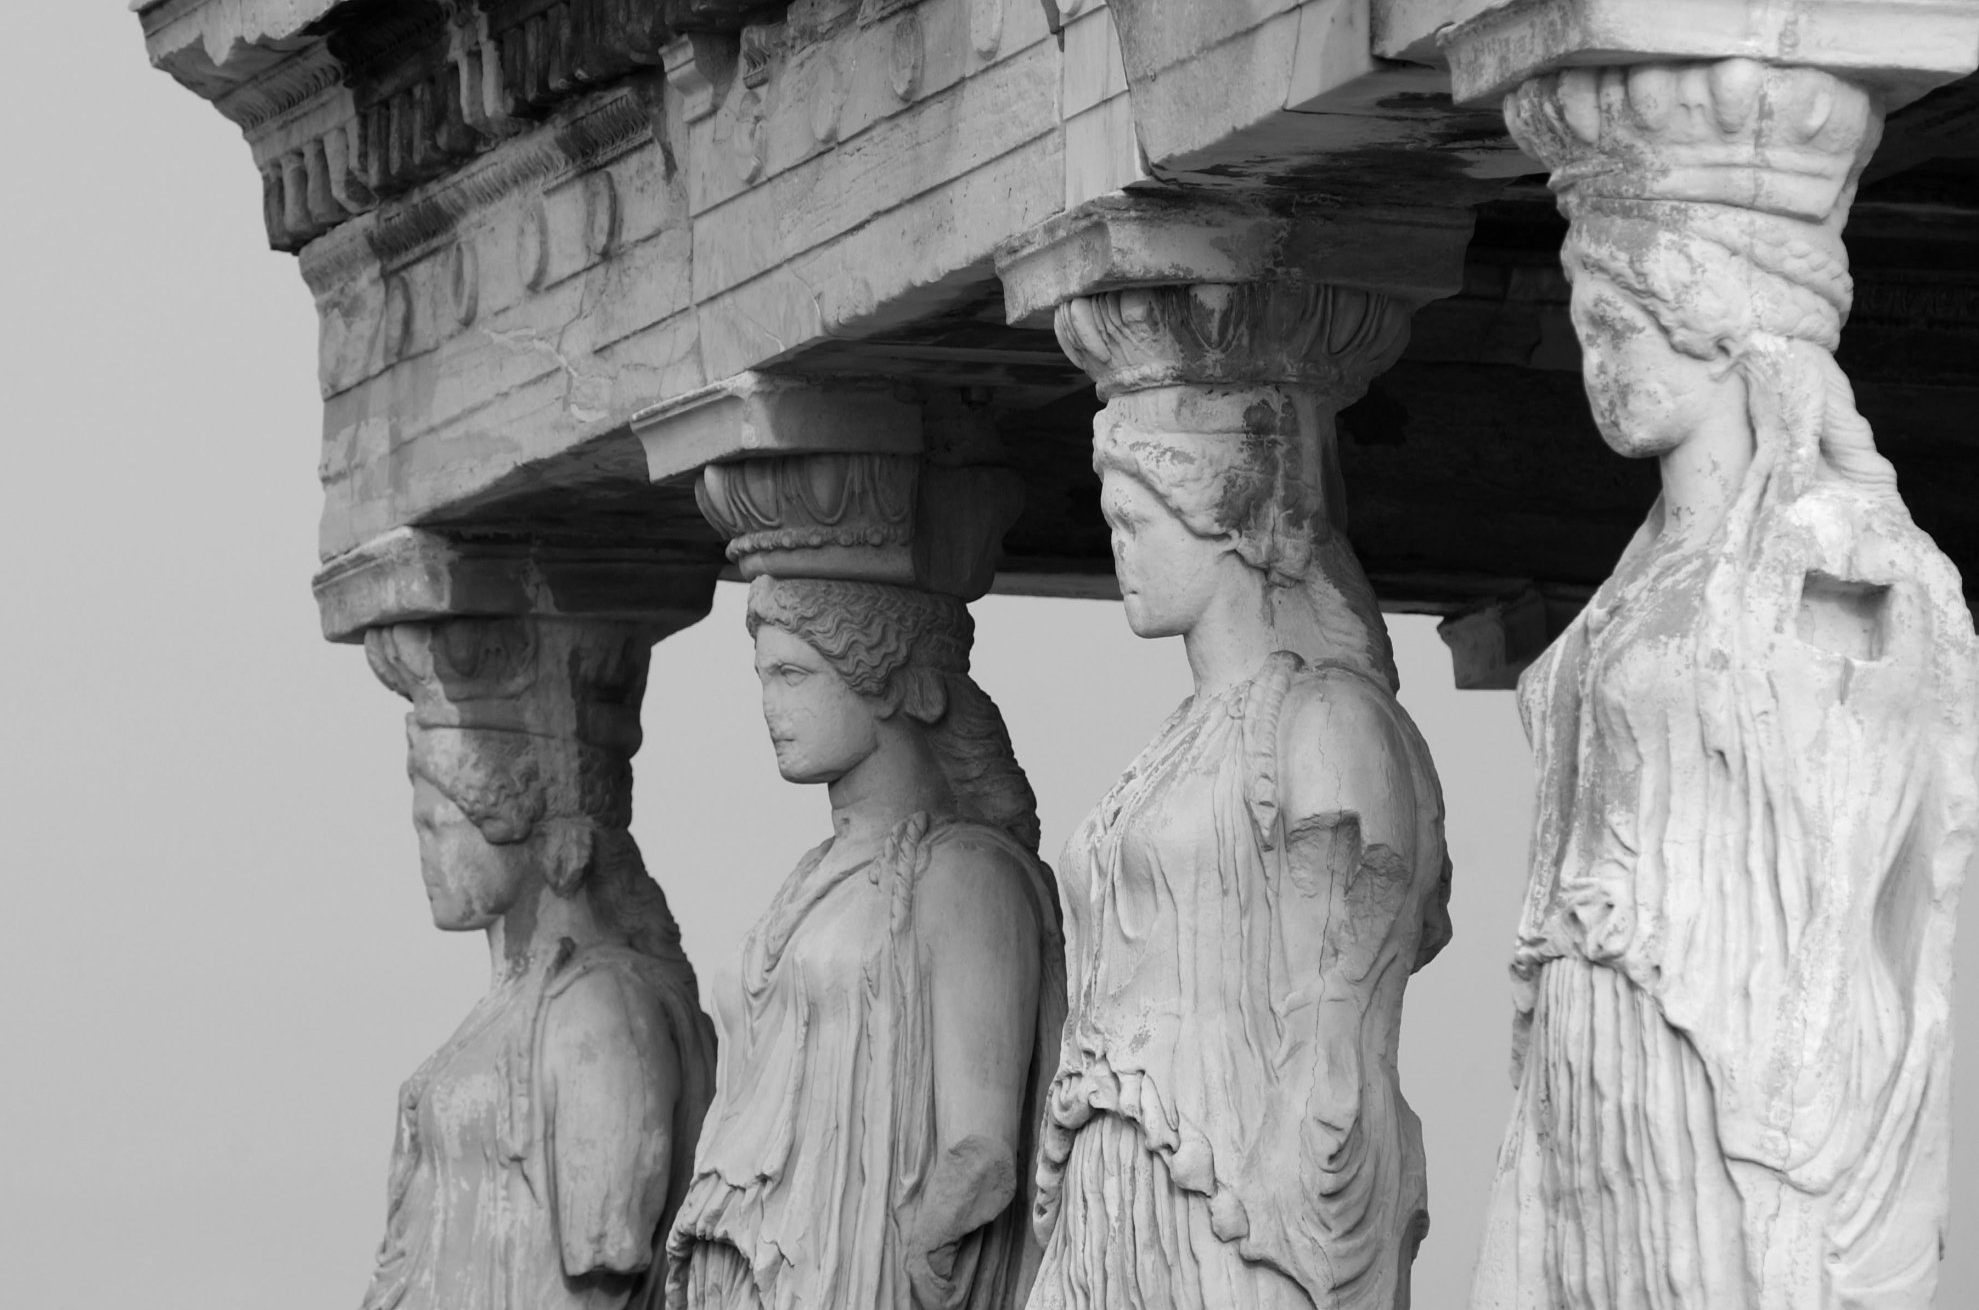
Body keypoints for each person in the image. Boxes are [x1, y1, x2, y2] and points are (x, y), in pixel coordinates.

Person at [1471, 62, 1979, 1309]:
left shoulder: (1831, 552)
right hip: (1597, 1032)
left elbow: (1867, 818)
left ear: (1712, 328)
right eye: (1584, 333)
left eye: (1617, 329)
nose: (1596, 365)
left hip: (1729, 1033)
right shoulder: (1632, 581)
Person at [1028, 355, 1452, 1310]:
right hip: (1110, 1171)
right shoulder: (1172, 740)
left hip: (1233, 1178)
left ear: (1221, 524)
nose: (1119, 553)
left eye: (1136, 525)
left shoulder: (1323, 720)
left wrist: (1299, 1172)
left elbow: (1336, 1005)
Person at [666, 575, 1064, 1310]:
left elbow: (980, 1150)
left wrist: (925, 1248)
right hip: (743, 1259)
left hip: (858, 1269)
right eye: (763, 678)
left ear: (887, 684)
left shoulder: (963, 873)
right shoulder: (808, 875)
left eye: (793, 675)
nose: (770, 706)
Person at [359, 618, 717, 1310]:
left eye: (439, 826)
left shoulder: (602, 1012)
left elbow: (601, 1275)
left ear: (514, 823)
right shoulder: (508, 1007)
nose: (425, 856)